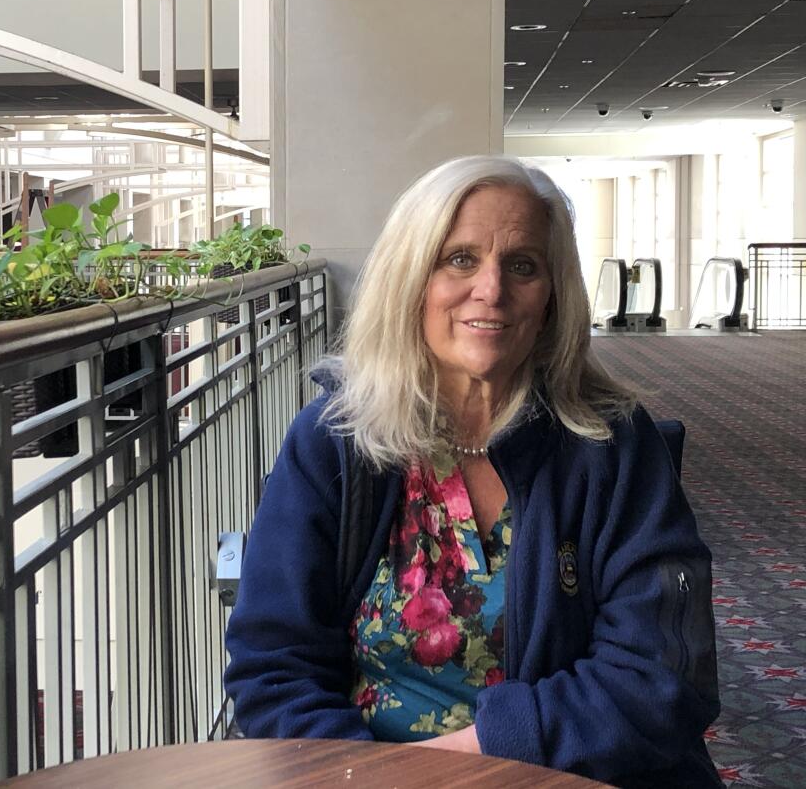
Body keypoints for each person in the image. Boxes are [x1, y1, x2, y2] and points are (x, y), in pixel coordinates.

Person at [223, 155, 721, 788]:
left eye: (523, 266)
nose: (491, 289)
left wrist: (467, 760)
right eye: (460, 259)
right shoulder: (336, 441)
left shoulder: (615, 444)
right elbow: (273, 666)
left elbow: (663, 675)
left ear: (552, 298)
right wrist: (363, 777)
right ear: (412, 278)